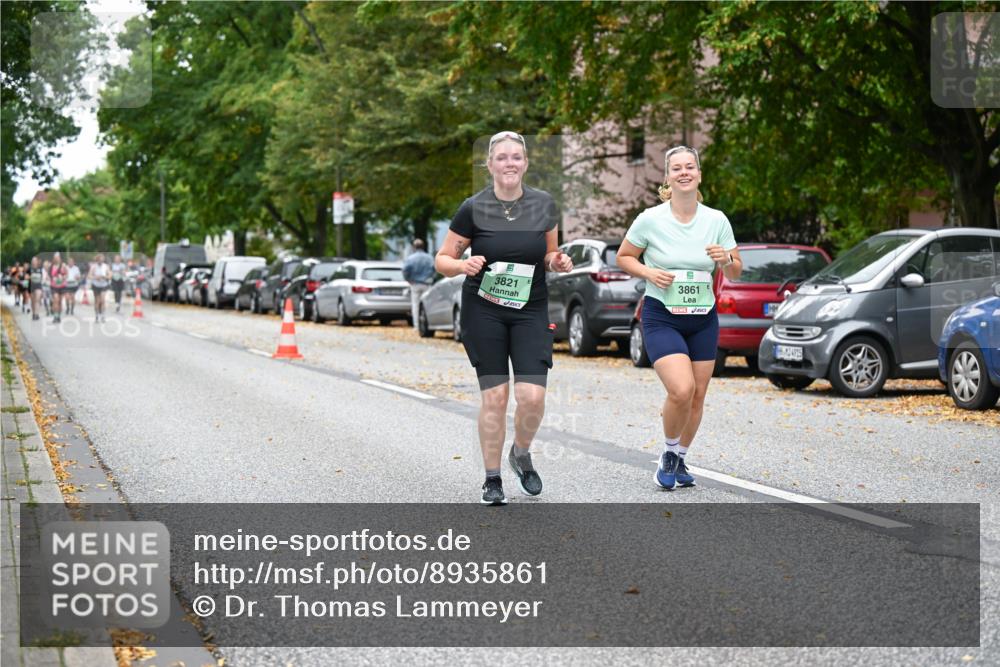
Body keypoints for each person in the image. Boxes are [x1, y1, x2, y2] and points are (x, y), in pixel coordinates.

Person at [435, 131, 573, 505]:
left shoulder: (544, 204)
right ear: (490, 164)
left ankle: (521, 453)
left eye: (516, 157)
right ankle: (492, 479)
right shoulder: (473, 207)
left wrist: (556, 261)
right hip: (485, 311)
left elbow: (549, 254)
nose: (510, 163)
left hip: (530, 309)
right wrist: (463, 264)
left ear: (525, 163)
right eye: (502, 157)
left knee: (532, 397)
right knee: (495, 397)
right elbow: (442, 259)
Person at [617, 146, 742, 490]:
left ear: (699, 174)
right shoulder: (650, 218)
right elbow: (624, 256)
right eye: (677, 168)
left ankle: (680, 457)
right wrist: (649, 273)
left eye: (690, 167)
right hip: (662, 316)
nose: (684, 172)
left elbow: (737, 270)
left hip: (703, 317)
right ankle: (669, 453)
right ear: (668, 177)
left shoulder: (716, 219)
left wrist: (725, 259)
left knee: (698, 394)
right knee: (681, 389)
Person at [402, 239, 436, 329]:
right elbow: (435, 269)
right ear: (423, 246)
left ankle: (417, 326)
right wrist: (431, 278)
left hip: (415, 284)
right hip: (427, 284)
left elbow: (405, 270)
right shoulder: (429, 257)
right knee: (427, 304)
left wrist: (408, 280)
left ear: (414, 247)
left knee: (416, 305)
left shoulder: (410, 258)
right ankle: (427, 325)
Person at [88, 254, 111, 322]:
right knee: (97, 301)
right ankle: (97, 315)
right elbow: (89, 276)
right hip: (96, 285)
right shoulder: (93, 266)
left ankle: (103, 316)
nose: (101, 261)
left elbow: (109, 275)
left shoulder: (106, 266)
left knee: (103, 300)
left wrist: (105, 277)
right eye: (100, 260)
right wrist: (96, 277)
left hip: (104, 285)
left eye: (102, 260)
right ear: (97, 260)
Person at [49, 253, 68, 323]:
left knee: (59, 301)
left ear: (60, 258)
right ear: (53, 258)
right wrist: (53, 278)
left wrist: (63, 277)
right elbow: (49, 275)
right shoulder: (51, 266)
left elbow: (67, 274)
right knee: (55, 300)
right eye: (55, 257)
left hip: (62, 286)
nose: (56, 259)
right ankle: (55, 316)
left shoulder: (63, 266)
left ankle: (58, 316)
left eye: (57, 257)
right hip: (54, 286)